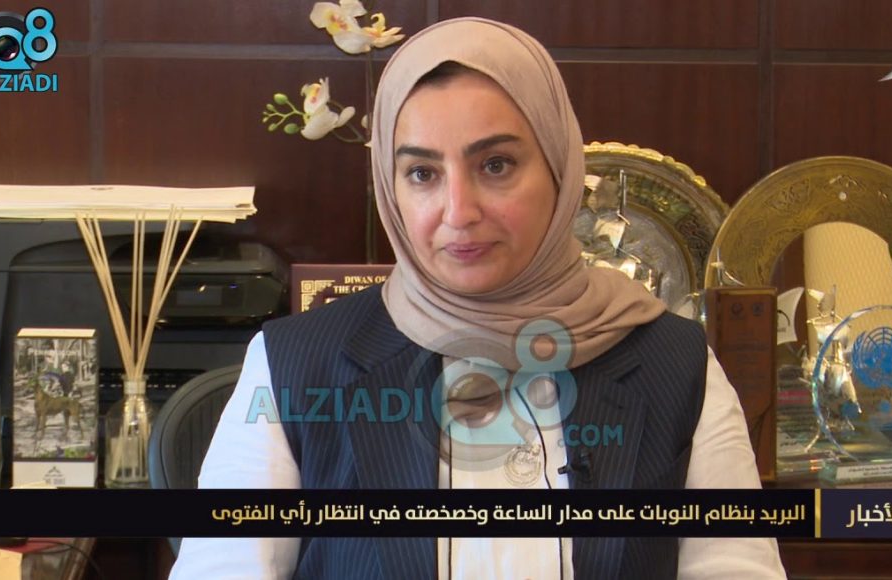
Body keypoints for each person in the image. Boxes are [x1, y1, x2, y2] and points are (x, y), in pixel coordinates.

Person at [172, 17, 786, 580]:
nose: (459, 212)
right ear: (390, 188)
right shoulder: (293, 364)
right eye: (422, 173)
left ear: (559, 168)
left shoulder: (676, 365)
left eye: (496, 165)